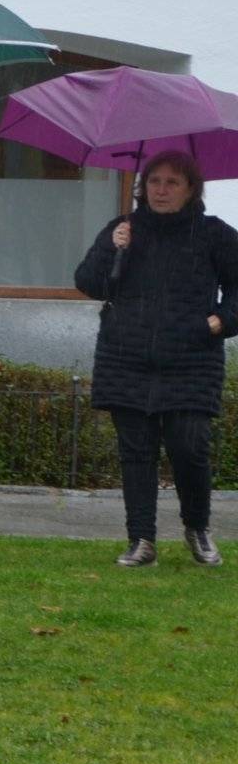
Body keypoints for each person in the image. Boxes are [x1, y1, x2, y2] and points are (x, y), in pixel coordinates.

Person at [71, 150, 235, 569]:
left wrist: (220, 322)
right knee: (136, 452)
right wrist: (112, 248)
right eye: (154, 182)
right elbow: (89, 283)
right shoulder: (123, 229)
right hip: (126, 356)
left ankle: (197, 527)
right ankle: (141, 540)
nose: (161, 191)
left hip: (191, 359)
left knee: (190, 448)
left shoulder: (214, 235)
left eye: (172, 183)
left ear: (191, 189)